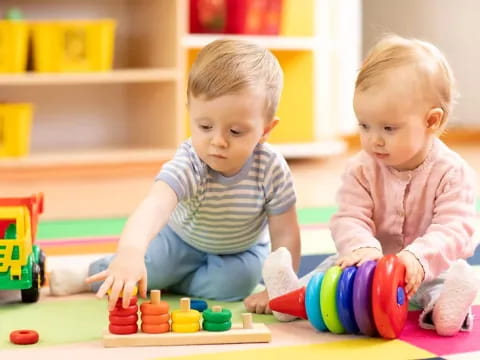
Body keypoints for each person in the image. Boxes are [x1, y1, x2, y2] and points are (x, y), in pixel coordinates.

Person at [48, 39, 301, 311]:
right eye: (204, 126)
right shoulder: (191, 161)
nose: (218, 141)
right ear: (191, 113)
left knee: (238, 285)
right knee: (143, 269)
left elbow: (286, 233)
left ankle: (173, 282)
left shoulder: (271, 168)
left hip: (241, 251)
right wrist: (130, 254)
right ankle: (89, 274)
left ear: (265, 130)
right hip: (180, 241)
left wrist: (279, 288)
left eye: (236, 132)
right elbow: (154, 207)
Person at [262, 34, 479, 335]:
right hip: (367, 268)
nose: (374, 139)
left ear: (431, 121)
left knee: (445, 282)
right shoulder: (362, 168)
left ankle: (446, 312)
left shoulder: (452, 172)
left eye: (389, 128)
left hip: (427, 270)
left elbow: (456, 229)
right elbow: (349, 216)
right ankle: (291, 296)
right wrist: (362, 247)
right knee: (330, 274)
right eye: (364, 125)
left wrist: (417, 258)